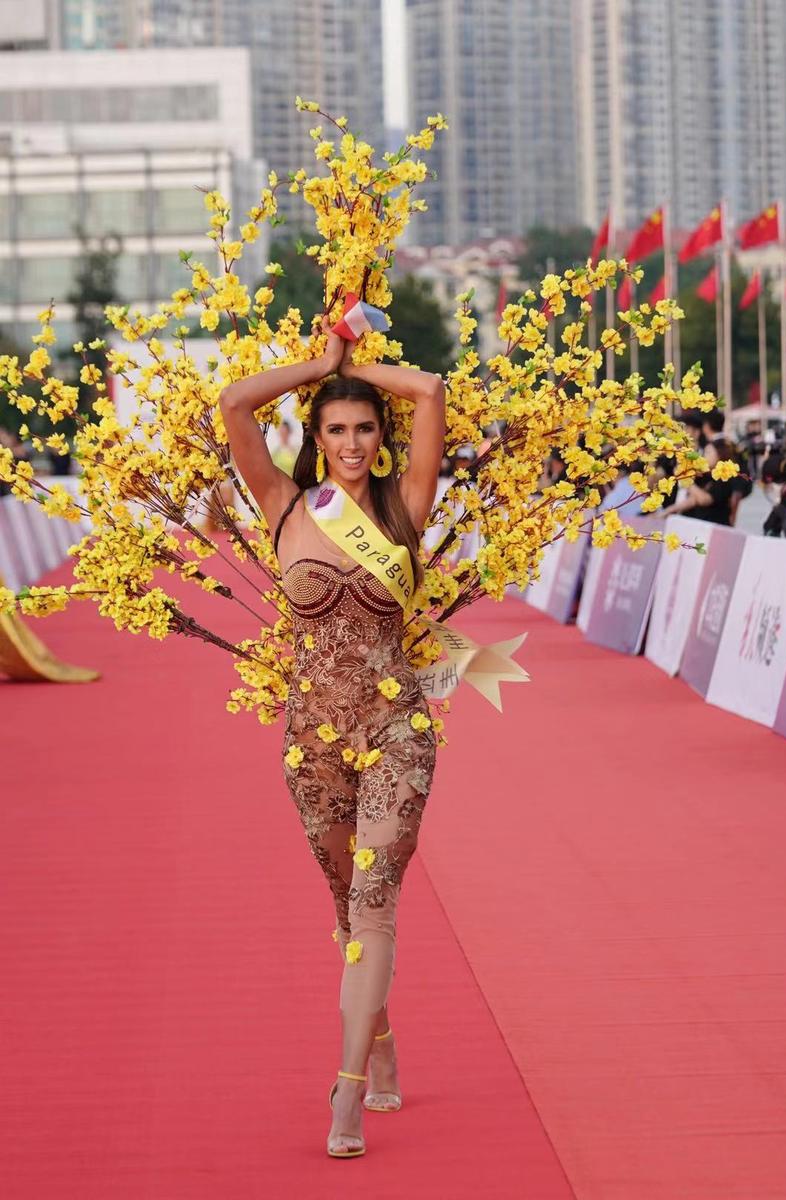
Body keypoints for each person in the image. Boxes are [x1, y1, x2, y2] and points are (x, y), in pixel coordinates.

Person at [219, 316, 446, 1159]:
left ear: (382, 439)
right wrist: (321, 364)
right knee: (344, 908)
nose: (352, 443)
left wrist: (364, 368)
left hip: (398, 730)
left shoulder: (405, 504)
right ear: (315, 438)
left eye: (364, 429)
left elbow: (430, 391)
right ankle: (378, 1037)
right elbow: (235, 402)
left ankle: (346, 1095)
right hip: (312, 737)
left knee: (375, 904)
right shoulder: (284, 505)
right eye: (337, 429)